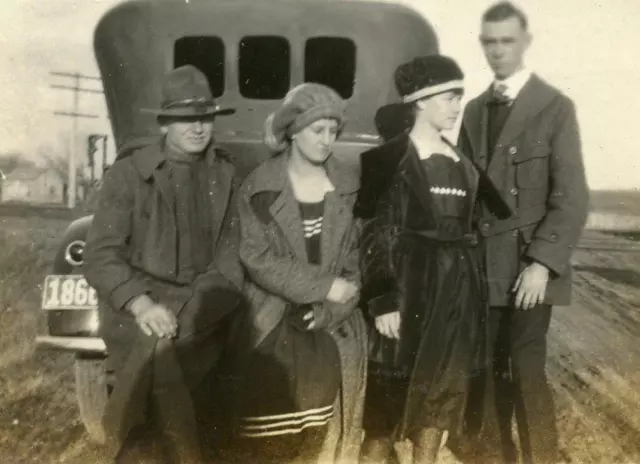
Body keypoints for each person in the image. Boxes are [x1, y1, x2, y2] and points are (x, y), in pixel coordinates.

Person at [354, 55, 511, 464]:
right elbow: (375, 232)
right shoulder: (386, 160)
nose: (458, 106)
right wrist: (383, 298)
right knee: (385, 416)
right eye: (449, 97)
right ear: (420, 101)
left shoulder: (466, 167)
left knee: (439, 407)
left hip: (456, 303)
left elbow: (481, 229)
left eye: (460, 96)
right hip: (407, 295)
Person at [83, 65, 244, 463]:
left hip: (203, 305)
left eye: (205, 118)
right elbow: (101, 255)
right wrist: (141, 304)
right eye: (186, 119)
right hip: (138, 307)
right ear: (166, 123)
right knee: (159, 361)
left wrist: (193, 311)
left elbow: (231, 254)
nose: (198, 128)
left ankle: (136, 449)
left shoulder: (226, 175)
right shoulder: (128, 175)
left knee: (167, 369)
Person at [457, 3, 589, 463]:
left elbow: (571, 198)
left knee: (524, 368)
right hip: (483, 266)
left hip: (528, 266)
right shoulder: (473, 111)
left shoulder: (553, 107)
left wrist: (540, 264)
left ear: (525, 42)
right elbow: (467, 193)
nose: (498, 51)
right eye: (489, 42)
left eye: (507, 41)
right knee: (488, 371)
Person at [231, 83, 368, 464]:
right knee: (269, 443)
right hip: (272, 325)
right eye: (317, 130)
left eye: (333, 131)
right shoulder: (260, 187)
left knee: (325, 441)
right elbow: (256, 258)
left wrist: (328, 309)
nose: (327, 141)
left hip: (331, 326)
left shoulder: (347, 186)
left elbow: (355, 267)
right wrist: (323, 286)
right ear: (292, 131)